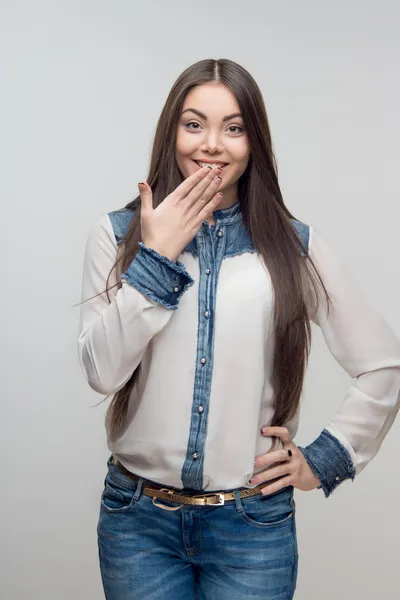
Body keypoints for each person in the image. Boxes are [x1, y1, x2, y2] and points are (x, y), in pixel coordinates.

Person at [78, 58, 400, 600]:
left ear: (254, 142)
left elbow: (382, 365)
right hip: (138, 523)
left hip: (252, 529)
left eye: (234, 128)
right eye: (194, 123)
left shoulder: (293, 247)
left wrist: (323, 461)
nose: (211, 145)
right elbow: (102, 372)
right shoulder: (117, 236)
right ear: (171, 132)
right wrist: (157, 257)